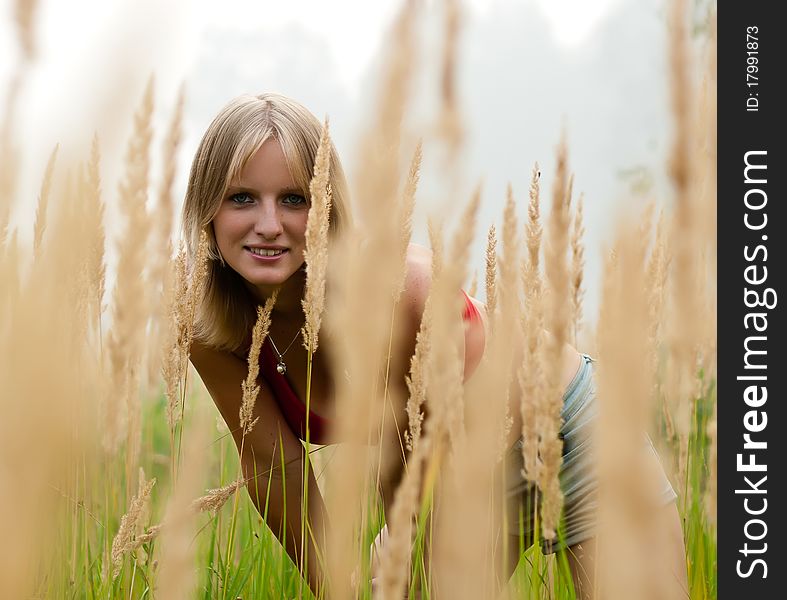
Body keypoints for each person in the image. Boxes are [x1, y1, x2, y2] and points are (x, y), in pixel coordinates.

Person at [182, 92, 687, 599]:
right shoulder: (204, 324)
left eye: (294, 199)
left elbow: (456, 436)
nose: (269, 225)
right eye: (242, 197)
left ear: (328, 208)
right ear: (206, 207)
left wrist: (403, 539)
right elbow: (275, 467)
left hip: (568, 431)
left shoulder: (400, 290)